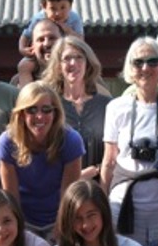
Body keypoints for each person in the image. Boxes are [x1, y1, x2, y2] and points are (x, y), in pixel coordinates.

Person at [102, 37, 158, 246]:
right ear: (129, 68)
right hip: (122, 202)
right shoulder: (116, 107)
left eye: (152, 61)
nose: (145, 68)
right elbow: (109, 160)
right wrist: (102, 202)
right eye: (138, 62)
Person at [0, 82, 84, 237]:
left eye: (46, 110)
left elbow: (69, 197)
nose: (39, 116)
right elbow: (12, 199)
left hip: (60, 218)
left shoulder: (71, 140)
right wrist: (22, 234)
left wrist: (59, 231)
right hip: (23, 220)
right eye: (31, 110)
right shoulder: (7, 142)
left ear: (55, 113)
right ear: (21, 114)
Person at [41, 36, 111, 179]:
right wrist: (76, 176)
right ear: (58, 66)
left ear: (87, 64)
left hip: (99, 184)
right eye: (67, 58)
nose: (73, 63)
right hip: (59, 187)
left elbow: (115, 153)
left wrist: (96, 170)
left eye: (79, 57)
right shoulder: (49, 106)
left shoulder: (106, 105)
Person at [13, 18, 64, 88]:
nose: (47, 44)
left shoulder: (75, 74)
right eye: (41, 39)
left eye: (52, 38)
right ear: (32, 46)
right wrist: (24, 73)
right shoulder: (19, 80)